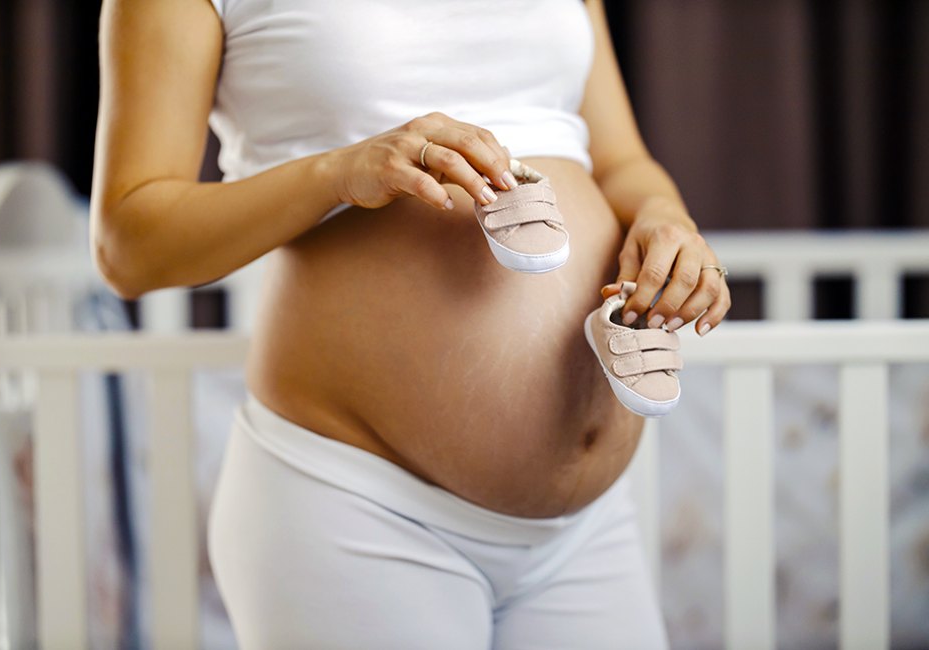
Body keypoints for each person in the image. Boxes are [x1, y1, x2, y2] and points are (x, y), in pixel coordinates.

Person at [91, 0, 730, 647]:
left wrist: (665, 216)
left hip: (584, 532)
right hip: (356, 505)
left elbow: (620, 161)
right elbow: (128, 244)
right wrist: (337, 172)